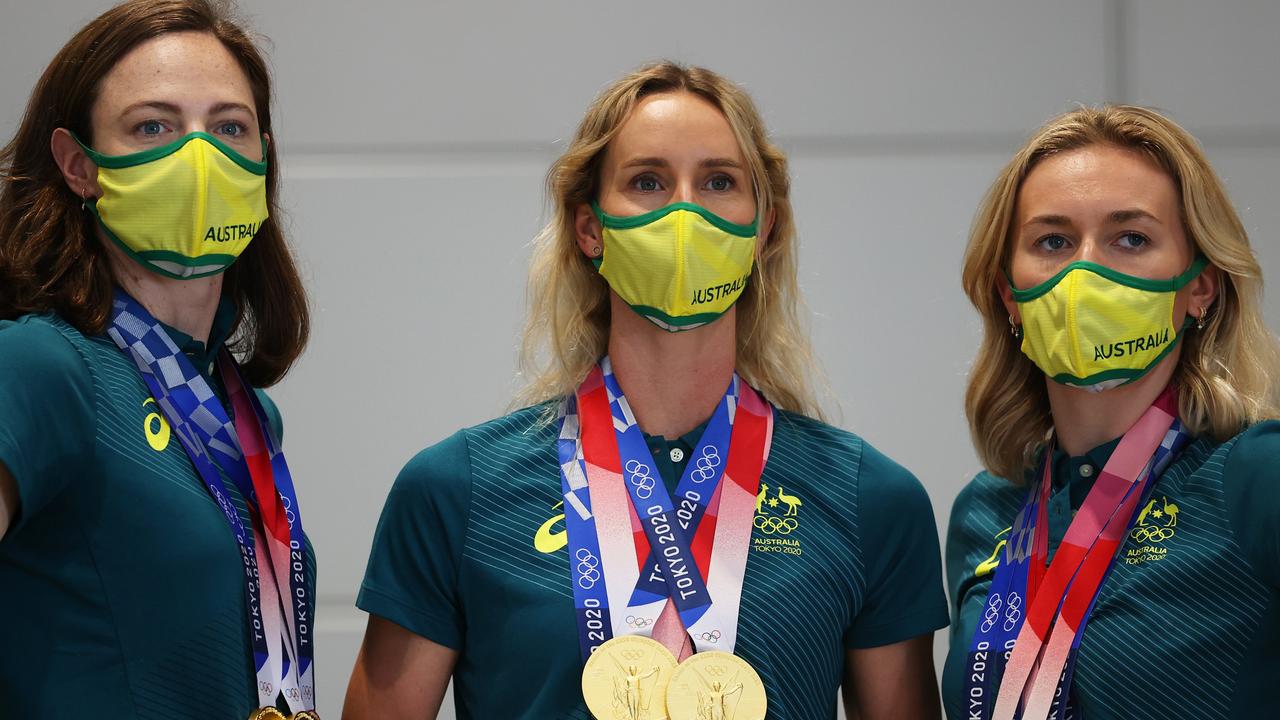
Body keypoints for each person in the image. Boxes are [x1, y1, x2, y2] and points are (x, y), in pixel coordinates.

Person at [345, 61, 948, 719]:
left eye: (719, 181)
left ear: (762, 228)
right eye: (647, 181)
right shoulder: (454, 490)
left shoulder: (871, 501)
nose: (684, 210)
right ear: (590, 229)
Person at [0, 2, 317, 718]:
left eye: (229, 127)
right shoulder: (40, 367)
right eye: (154, 126)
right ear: (80, 166)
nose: (199, 156)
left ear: (260, 159)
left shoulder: (242, 410)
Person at [943, 105, 1280, 720]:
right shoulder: (986, 509)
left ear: (1200, 285)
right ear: (1008, 293)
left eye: (1132, 238)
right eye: (1054, 241)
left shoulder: (1259, 477)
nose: (1085, 269)